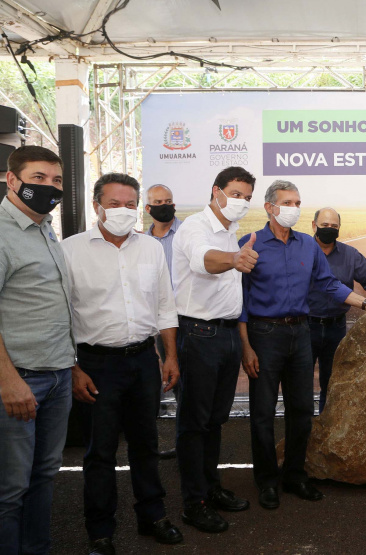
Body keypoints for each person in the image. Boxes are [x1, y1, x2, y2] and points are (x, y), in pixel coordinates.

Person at [240, 180, 366, 510]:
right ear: (269, 207)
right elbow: (239, 299)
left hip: (301, 333)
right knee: (263, 412)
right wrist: (245, 346)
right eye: (287, 202)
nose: (293, 207)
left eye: (297, 202)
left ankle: (295, 475)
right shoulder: (250, 244)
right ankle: (267, 481)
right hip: (264, 336)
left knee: (301, 410)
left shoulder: (307, 247)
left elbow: (329, 285)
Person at [63, 173, 184, 554]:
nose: (123, 211)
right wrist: (73, 368)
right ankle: (101, 531)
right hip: (96, 364)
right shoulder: (70, 250)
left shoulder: (149, 248)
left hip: (143, 361)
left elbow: (165, 306)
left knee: (146, 444)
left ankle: (153, 516)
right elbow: (61, 315)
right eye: (114, 204)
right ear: (97, 206)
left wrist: (169, 357)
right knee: (100, 452)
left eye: (130, 204)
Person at [171, 166, 259, 534]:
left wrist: (240, 343)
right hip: (198, 335)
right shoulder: (196, 227)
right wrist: (233, 259)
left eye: (247, 197)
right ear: (216, 192)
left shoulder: (233, 231)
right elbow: (202, 259)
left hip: (223, 336)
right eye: (235, 193)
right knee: (194, 423)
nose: (241, 202)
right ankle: (194, 503)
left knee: (214, 420)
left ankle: (210, 488)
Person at [0, 146, 74, 555]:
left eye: (57, 180)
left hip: (58, 375)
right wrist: (8, 381)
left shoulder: (45, 228)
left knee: (44, 475)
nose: (49, 187)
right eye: (39, 178)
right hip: (20, 381)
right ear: (13, 181)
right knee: (10, 489)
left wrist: (72, 365)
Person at [309, 207, 366, 412]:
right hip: (305, 326)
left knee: (333, 380)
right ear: (313, 225)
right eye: (324, 225)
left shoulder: (349, 254)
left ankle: (326, 427)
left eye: (334, 226)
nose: (329, 229)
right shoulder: (301, 250)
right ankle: (302, 432)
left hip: (335, 328)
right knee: (300, 381)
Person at [145, 183, 182, 459]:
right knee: (171, 381)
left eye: (168, 200)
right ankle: (182, 445)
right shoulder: (142, 243)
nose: (164, 205)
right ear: (148, 208)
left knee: (192, 387)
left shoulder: (188, 234)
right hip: (159, 324)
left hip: (189, 320)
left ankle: (193, 446)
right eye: (158, 201)